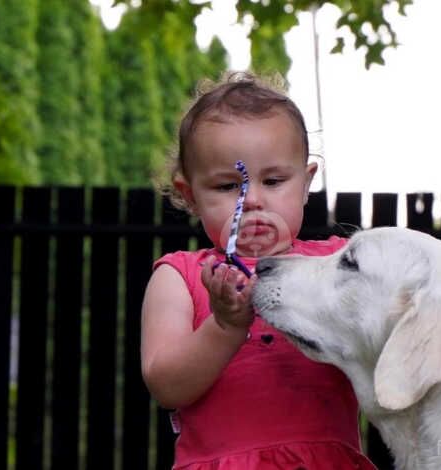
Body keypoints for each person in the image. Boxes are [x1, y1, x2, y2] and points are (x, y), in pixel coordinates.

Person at [141, 72, 376, 470]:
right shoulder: (179, 276)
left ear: (305, 183)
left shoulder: (337, 265)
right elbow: (167, 386)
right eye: (227, 186)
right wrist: (226, 326)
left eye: (274, 180)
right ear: (190, 195)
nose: (252, 200)